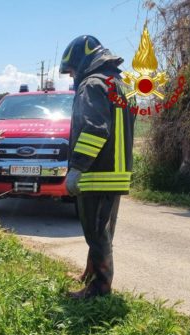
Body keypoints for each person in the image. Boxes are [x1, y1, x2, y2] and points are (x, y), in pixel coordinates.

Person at [59, 35, 135, 299]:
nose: (72, 77)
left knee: (96, 234)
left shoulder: (92, 84)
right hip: (117, 172)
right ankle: (90, 274)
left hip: (97, 173)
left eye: (71, 71)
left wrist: (77, 167)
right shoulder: (120, 85)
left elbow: (94, 130)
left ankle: (99, 288)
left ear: (82, 62)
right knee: (102, 231)